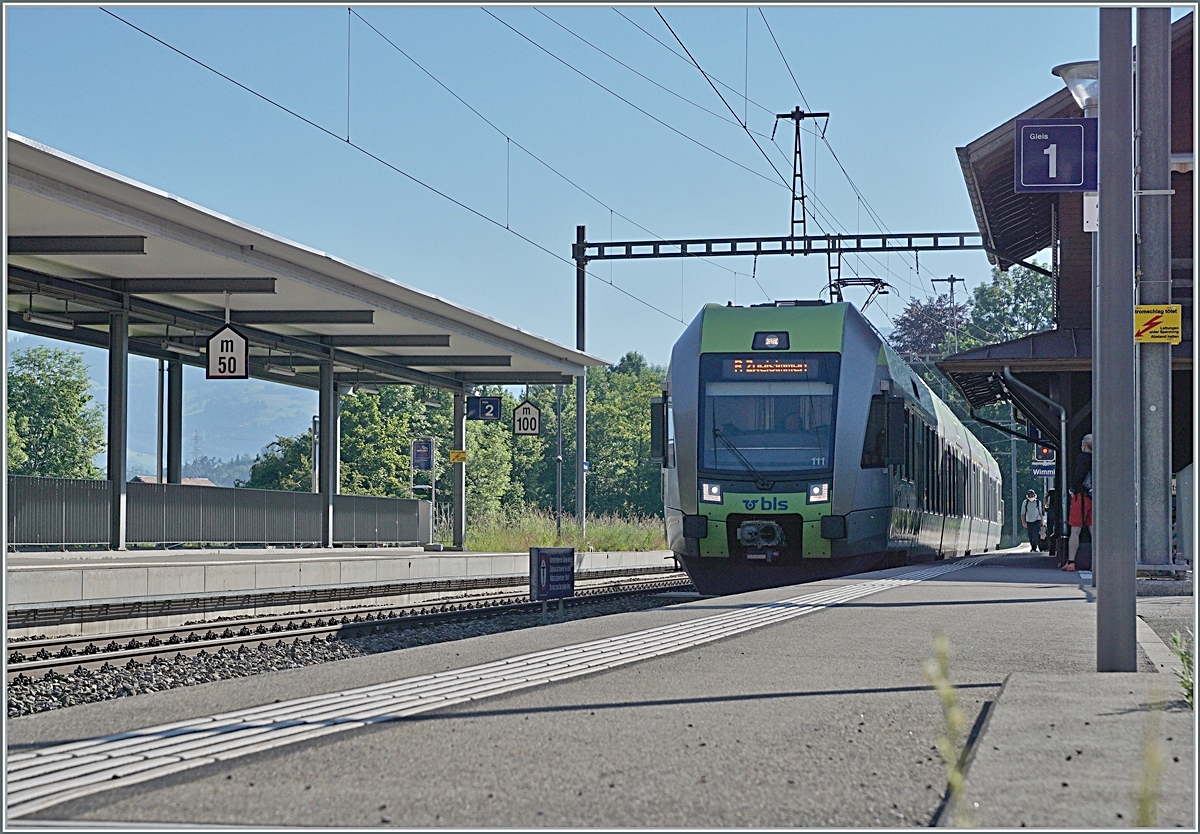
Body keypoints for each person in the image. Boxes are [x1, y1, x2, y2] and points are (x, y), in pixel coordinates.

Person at [1065, 433, 1093, 571]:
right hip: (1095, 499)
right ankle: (1096, 563)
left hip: (1081, 498)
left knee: (1075, 530)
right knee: (1094, 531)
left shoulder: (1082, 458)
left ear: (1085, 444)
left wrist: (1073, 489)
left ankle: (1071, 562)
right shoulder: (1099, 458)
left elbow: (1078, 476)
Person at [1044, 488, 1062, 561]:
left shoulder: (1050, 493)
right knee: (1057, 528)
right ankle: (1057, 547)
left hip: (1050, 510)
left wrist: (1045, 507)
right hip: (1057, 511)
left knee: (1049, 529)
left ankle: (1050, 546)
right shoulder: (1059, 493)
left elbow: (1045, 498)